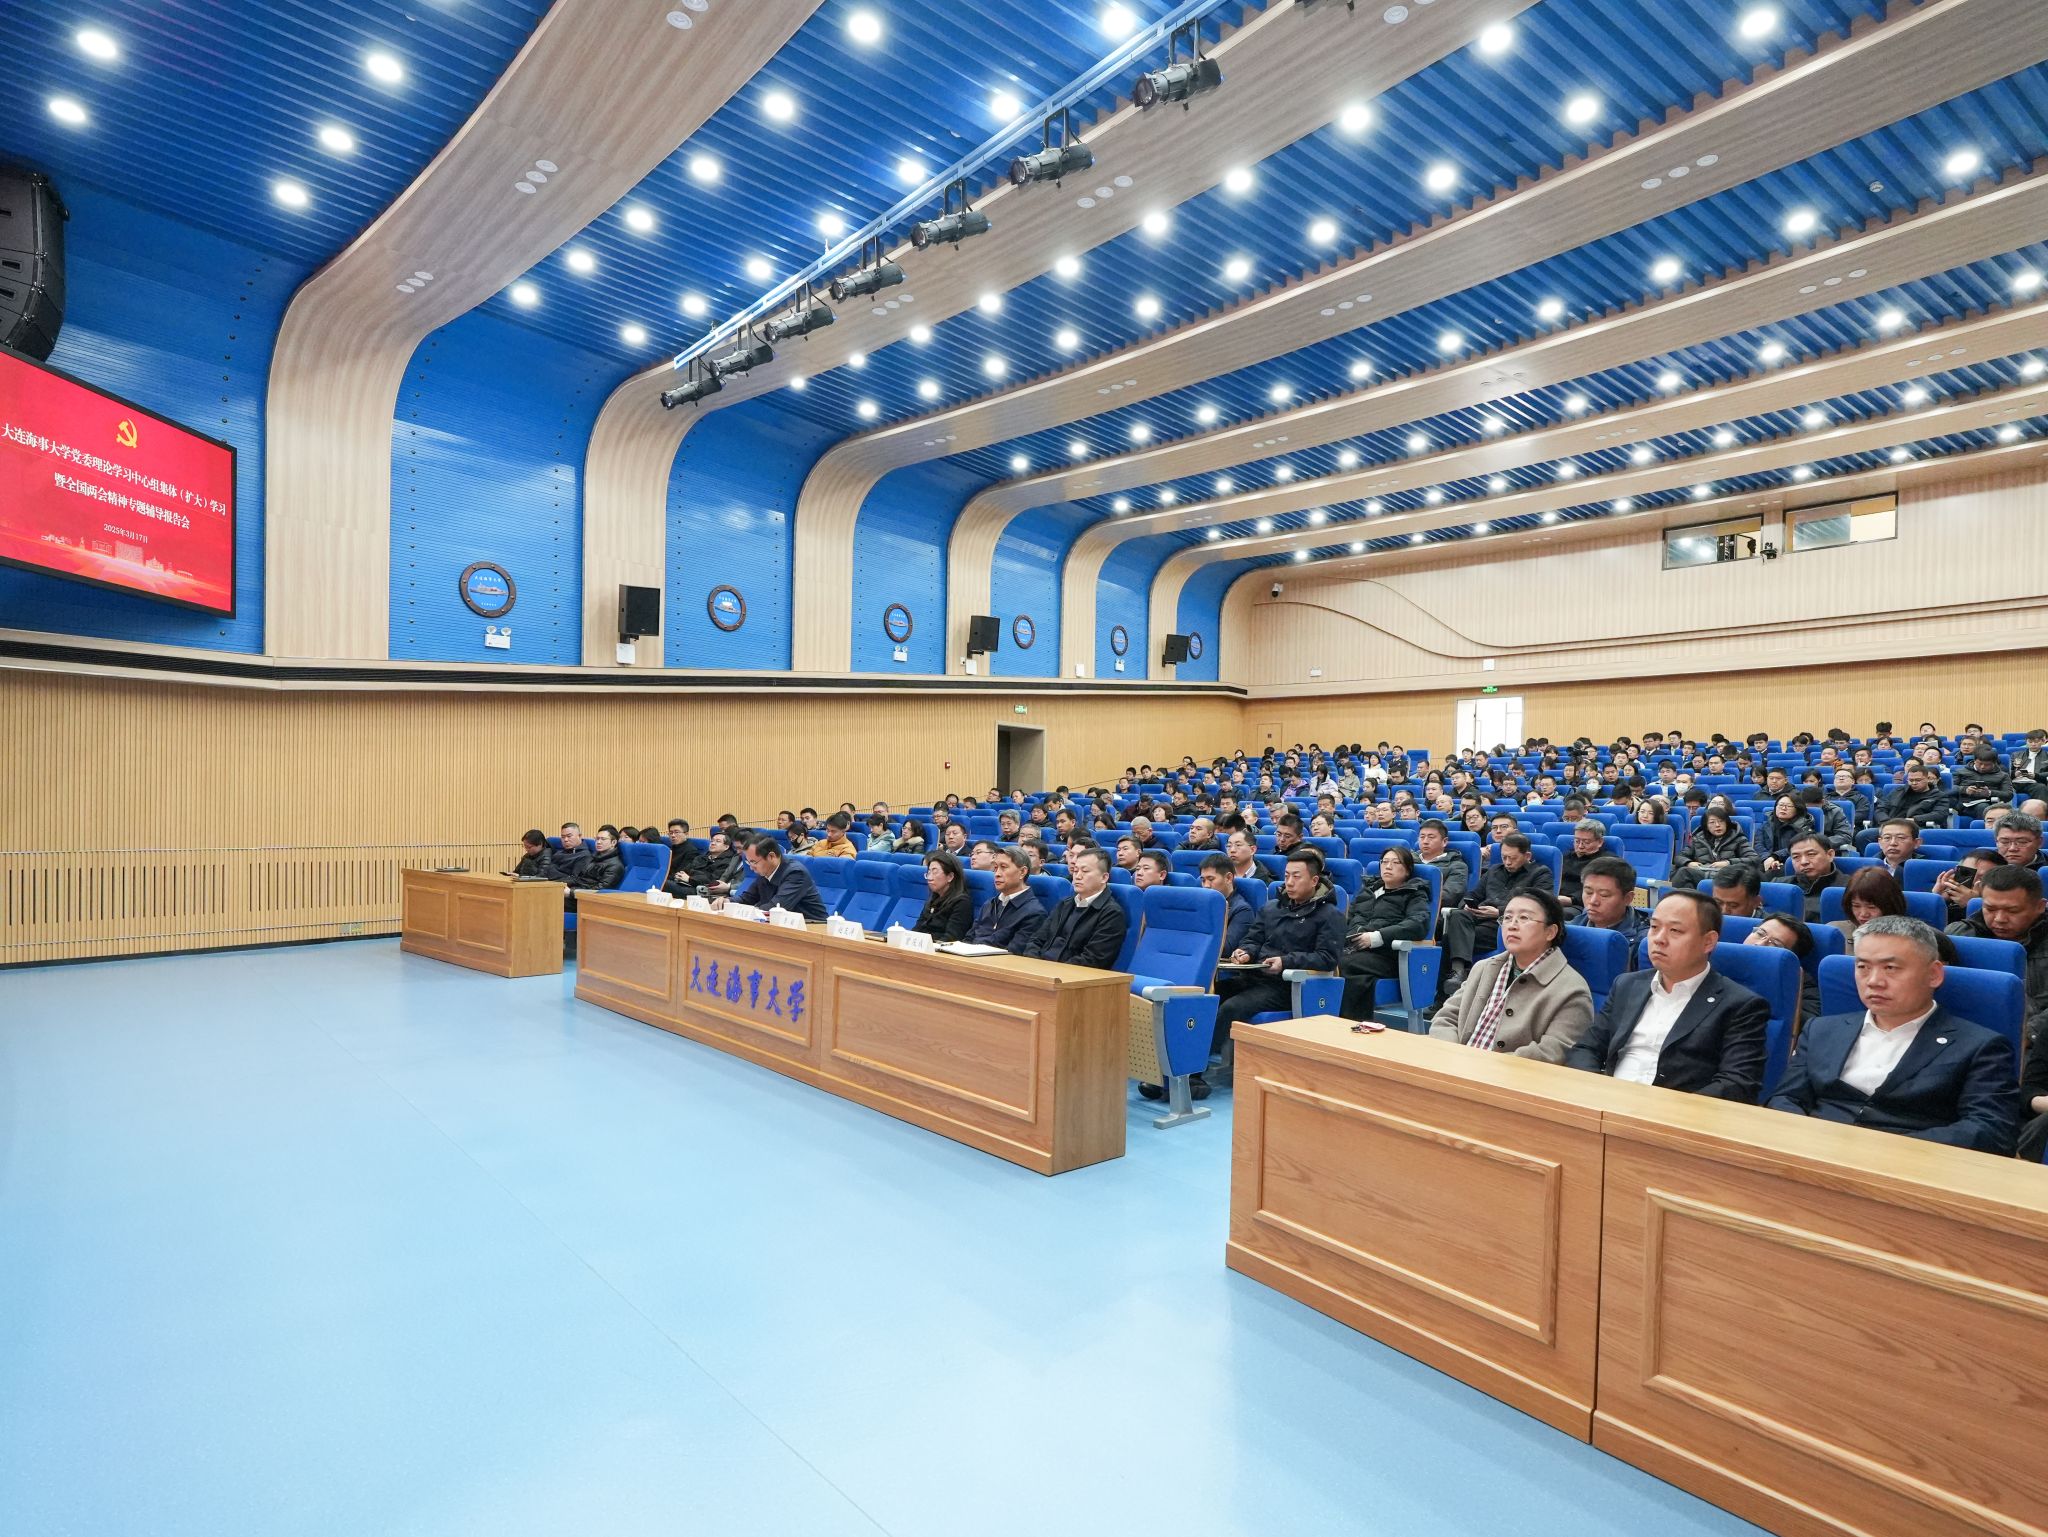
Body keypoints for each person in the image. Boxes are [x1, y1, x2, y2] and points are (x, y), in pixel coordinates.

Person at [1767, 917, 2019, 1153]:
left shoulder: (1980, 1046)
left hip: (1913, 1164)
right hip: (1812, 1153)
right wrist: (1805, 1141)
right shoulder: (1821, 1029)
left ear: (1934, 974)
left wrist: (1887, 1152)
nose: (1874, 981)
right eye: (1863, 967)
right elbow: (1786, 1098)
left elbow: (1990, 1130)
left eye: (1890, 968)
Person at [1565, 891, 1770, 1101]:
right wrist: (1596, 1092)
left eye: (1675, 931)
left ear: (1708, 942)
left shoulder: (1740, 1005)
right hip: (1607, 1102)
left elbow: (1737, 1084)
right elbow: (1586, 1049)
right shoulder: (1627, 985)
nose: (1659, 939)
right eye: (1654, 927)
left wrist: (1669, 1109)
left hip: (1680, 1113)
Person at [1208, 850, 1347, 1089]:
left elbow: (1327, 959)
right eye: (1287, 876)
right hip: (1255, 977)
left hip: (1287, 986)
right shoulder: (1272, 908)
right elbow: (1253, 938)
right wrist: (1245, 952)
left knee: (1231, 1007)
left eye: (1296, 877)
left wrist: (1286, 962)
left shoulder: (1329, 915)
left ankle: (1193, 1070)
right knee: (1209, 996)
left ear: (1314, 881)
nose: (1289, 882)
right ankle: (1187, 1061)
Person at [1427, 890, 1593, 1061]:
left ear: (1550, 932)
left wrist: (1485, 1066)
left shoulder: (1572, 990)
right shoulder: (1484, 968)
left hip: (1510, 1074)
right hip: (1456, 1065)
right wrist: (1454, 1056)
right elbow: (1446, 1017)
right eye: (1507, 918)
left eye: (1524, 918)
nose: (1512, 925)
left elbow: (1553, 1051)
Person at [1438, 832, 1555, 1001]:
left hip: (1505, 925)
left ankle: (1446, 992)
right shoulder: (1494, 870)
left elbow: (1538, 905)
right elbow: (1474, 894)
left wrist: (1500, 912)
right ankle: (1459, 975)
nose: (1507, 862)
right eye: (1504, 857)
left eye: (1512, 858)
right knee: (1458, 915)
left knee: (1449, 939)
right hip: (1479, 918)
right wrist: (1468, 905)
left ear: (1527, 856)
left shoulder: (1541, 874)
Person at [1946, 863, 2048, 1045]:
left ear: (2040, 906)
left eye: (2013, 911)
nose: (2000, 919)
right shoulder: (1957, 935)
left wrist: (2029, 1034)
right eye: (1990, 909)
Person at [1336, 847, 1434, 1020]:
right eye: (1385, 862)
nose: (1388, 867)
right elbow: (1351, 919)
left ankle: (1345, 1022)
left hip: (1389, 955)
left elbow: (1417, 924)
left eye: (1396, 863)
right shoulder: (1368, 891)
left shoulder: (1414, 893)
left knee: (1343, 963)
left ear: (1407, 870)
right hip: (1357, 949)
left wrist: (1377, 937)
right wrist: (1354, 935)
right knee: (1338, 965)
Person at [1022, 847, 1126, 968]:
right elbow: (1036, 940)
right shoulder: (1065, 904)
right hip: (1041, 970)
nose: (1078, 876)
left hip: (1069, 975)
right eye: (1076, 870)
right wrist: (1033, 964)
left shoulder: (1111, 914)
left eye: (1085, 871)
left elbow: (1092, 960)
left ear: (1104, 878)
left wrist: (1048, 970)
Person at [1746, 910, 1822, 1028]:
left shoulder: (1802, 984)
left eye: (1775, 944)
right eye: (1760, 934)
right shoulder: (1718, 959)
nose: (1759, 944)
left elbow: (1809, 1024)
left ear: (1791, 956)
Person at [727, 835, 828, 921]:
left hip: (813, 928)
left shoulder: (795, 873)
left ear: (771, 856)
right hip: (782, 925)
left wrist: (749, 911)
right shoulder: (766, 870)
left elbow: (776, 908)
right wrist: (728, 902)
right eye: (748, 862)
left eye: (754, 862)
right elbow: (748, 898)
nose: (751, 867)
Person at [968, 846, 1044, 953]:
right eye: (995, 868)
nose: (997, 874)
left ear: (1022, 872)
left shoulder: (1034, 913)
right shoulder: (990, 904)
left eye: (1003, 867)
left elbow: (1014, 953)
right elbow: (969, 938)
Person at [1571, 855, 1648, 952]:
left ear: (1628, 898)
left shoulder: (1643, 942)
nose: (1593, 901)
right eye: (1588, 892)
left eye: (1604, 895)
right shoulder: (1570, 930)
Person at [1673, 803, 1754, 890]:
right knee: (1682, 873)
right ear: (1706, 826)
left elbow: (1753, 859)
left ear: (1727, 823)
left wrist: (1728, 863)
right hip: (1704, 873)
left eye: (1721, 821)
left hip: (1729, 875)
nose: (1717, 825)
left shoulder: (1738, 838)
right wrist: (1689, 863)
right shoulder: (1698, 839)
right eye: (1712, 822)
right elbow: (1679, 857)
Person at [1198, 853, 1257, 962]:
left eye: (1211, 879)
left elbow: (1225, 949)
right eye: (1203, 880)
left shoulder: (1242, 910)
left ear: (1229, 878)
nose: (1206, 885)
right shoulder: (1199, 904)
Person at [1832, 867, 1908, 948]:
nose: (1863, 914)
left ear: (1889, 906)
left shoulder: (1905, 940)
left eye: (1871, 907)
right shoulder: (1835, 931)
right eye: (1856, 906)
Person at [912, 851, 974, 942]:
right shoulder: (932, 899)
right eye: (928, 872)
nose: (929, 878)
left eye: (935, 872)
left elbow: (951, 938)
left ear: (950, 876)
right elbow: (917, 929)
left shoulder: (962, 903)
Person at [1785, 832, 1848, 921]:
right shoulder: (1780, 885)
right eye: (1796, 857)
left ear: (1830, 855)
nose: (1804, 862)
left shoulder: (1850, 888)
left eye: (1811, 854)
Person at [1414, 818, 1467, 915]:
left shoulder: (1457, 866)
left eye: (1431, 837)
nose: (1425, 841)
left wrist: (1411, 899)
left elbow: (1448, 897)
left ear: (1444, 841)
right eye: (1422, 837)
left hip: (1429, 913)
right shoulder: (1408, 859)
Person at [1879, 760, 1953, 828]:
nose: (1914, 783)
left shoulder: (1939, 796)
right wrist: (1886, 821)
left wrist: (1914, 820)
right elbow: (1881, 809)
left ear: (1927, 779)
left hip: (1917, 827)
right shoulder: (1898, 791)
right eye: (1911, 780)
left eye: (1918, 780)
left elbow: (1939, 814)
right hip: (1891, 826)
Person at [1954, 741, 2015, 822]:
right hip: (1962, 803)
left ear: (1994, 763)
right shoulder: (1961, 771)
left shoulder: (2003, 775)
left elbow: (2008, 795)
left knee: (1983, 807)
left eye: (1987, 765)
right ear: (1974, 760)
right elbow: (1949, 788)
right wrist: (1965, 790)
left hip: (1986, 804)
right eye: (1980, 764)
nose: (1982, 767)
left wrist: (1989, 793)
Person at [1558, 819, 1610, 914]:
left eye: (1586, 842)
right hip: (1556, 899)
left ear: (1600, 842)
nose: (1580, 846)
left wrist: (1572, 900)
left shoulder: (1607, 862)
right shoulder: (1564, 857)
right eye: (1577, 841)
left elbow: (1601, 889)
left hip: (1582, 905)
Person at [1757, 793, 1814, 875]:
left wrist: (1775, 857)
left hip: (1789, 862)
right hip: (1765, 860)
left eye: (1788, 806)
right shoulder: (1766, 824)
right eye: (1780, 805)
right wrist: (1767, 858)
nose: (1783, 808)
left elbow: (1797, 847)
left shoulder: (1803, 827)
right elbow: (1758, 844)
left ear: (1797, 809)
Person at [695, 829, 744, 895]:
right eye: (712, 841)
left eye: (718, 841)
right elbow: (724, 876)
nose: (713, 843)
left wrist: (728, 887)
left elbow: (750, 883)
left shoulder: (727, 860)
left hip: (737, 892)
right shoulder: (736, 857)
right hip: (719, 890)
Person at [1872, 818, 1920, 883]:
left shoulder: (1925, 869)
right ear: (1880, 843)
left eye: (1901, 838)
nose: (1893, 843)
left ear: (1916, 843)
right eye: (1887, 838)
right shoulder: (1867, 867)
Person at [2014, 728, 2048, 800]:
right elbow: (2007, 771)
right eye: (2030, 742)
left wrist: (2036, 775)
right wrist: (2015, 773)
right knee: (2006, 788)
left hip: (2034, 783)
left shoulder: (2047, 756)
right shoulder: (2016, 755)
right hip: (2016, 782)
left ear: (2043, 742)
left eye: (2036, 742)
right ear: (2026, 742)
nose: (2033, 744)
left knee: (2041, 788)